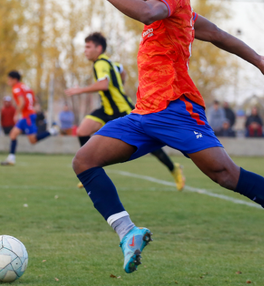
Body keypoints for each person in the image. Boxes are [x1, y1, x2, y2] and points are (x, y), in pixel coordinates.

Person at [73, 0, 264, 274]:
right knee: (84, 161)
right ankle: (128, 233)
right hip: (143, 116)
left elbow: (148, 12)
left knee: (226, 175)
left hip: (176, 109)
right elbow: (217, 34)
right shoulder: (175, 17)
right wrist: (258, 59)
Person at [65, 31, 186, 190]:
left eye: (88, 47)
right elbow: (122, 71)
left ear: (99, 48)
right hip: (107, 109)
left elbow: (103, 85)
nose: (85, 50)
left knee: (150, 144)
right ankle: (89, 168)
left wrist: (79, 90)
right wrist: (119, 83)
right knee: (82, 131)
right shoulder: (110, 63)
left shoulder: (100, 63)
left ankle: (174, 169)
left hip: (122, 109)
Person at [0, 71, 51, 165]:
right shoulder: (25, 86)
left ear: (14, 79)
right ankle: (11, 159)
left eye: (9, 79)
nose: (8, 81)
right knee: (13, 134)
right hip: (28, 115)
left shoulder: (16, 88)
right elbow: (35, 100)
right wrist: (32, 109)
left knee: (33, 140)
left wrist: (16, 114)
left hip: (27, 116)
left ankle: (52, 131)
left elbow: (22, 102)